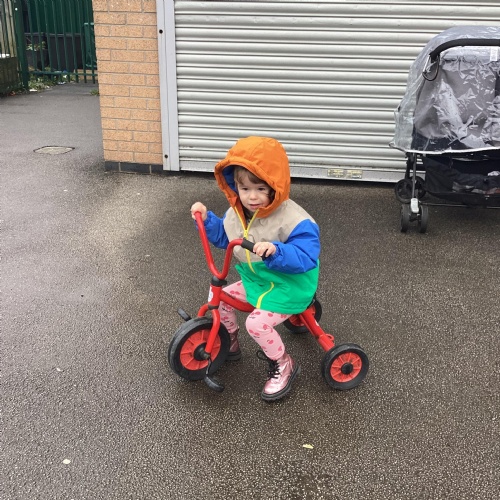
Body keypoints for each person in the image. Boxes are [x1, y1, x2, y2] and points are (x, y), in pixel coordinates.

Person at [190, 136, 320, 401]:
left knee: (257, 323)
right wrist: (207, 220)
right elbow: (226, 238)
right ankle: (228, 341)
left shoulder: (295, 220)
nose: (252, 196)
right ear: (234, 186)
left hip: (289, 286)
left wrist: (277, 251)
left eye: (261, 188)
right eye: (245, 188)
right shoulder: (237, 213)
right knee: (220, 298)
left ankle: (283, 363)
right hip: (258, 280)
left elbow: (307, 255)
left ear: (274, 187)